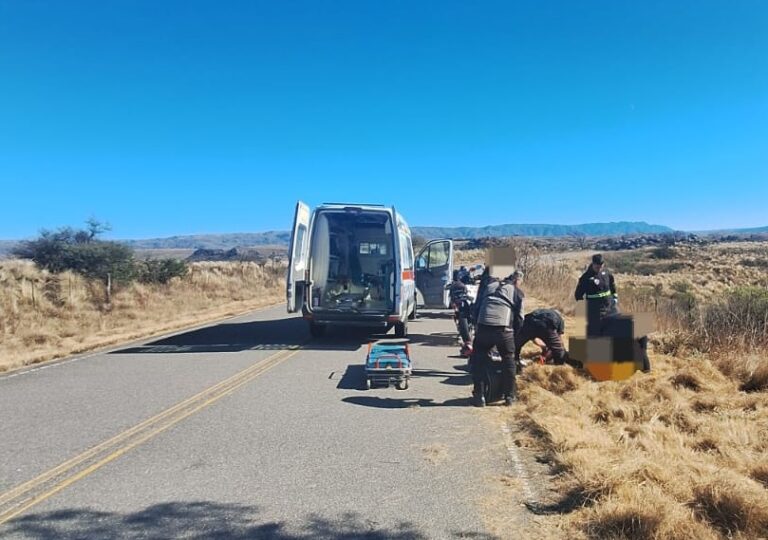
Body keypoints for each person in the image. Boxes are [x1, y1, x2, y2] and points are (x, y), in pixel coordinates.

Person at [470, 274, 518, 407]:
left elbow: (477, 308)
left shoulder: (488, 287)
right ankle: (509, 396)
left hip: (484, 328)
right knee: (508, 360)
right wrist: (514, 335)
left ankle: (479, 396)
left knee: (478, 359)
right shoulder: (516, 291)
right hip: (503, 331)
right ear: (514, 280)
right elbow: (519, 318)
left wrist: (476, 328)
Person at [575, 253, 618, 335]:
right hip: (595, 309)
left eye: (601, 267)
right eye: (597, 267)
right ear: (593, 264)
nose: (599, 269)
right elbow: (578, 295)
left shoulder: (606, 274)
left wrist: (615, 297)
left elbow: (612, 285)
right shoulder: (585, 278)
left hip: (609, 305)